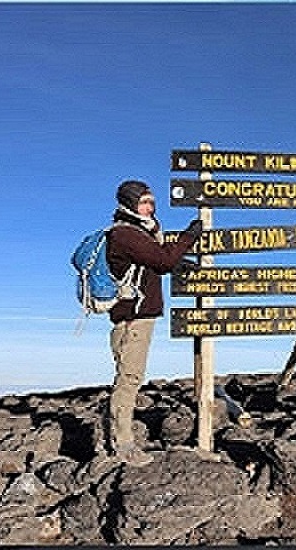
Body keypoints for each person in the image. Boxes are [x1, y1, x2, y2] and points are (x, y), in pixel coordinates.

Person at [105, 179, 203, 466]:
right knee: (129, 380)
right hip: (133, 319)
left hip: (136, 317)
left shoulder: (140, 232)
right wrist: (188, 238)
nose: (149, 207)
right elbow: (161, 262)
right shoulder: (126, 234)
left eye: (151, 201)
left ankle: (116, 434)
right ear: (129, 203)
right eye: (143, 202)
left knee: (129, 377)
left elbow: (152, 263)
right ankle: (122, 444)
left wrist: (175, 259)